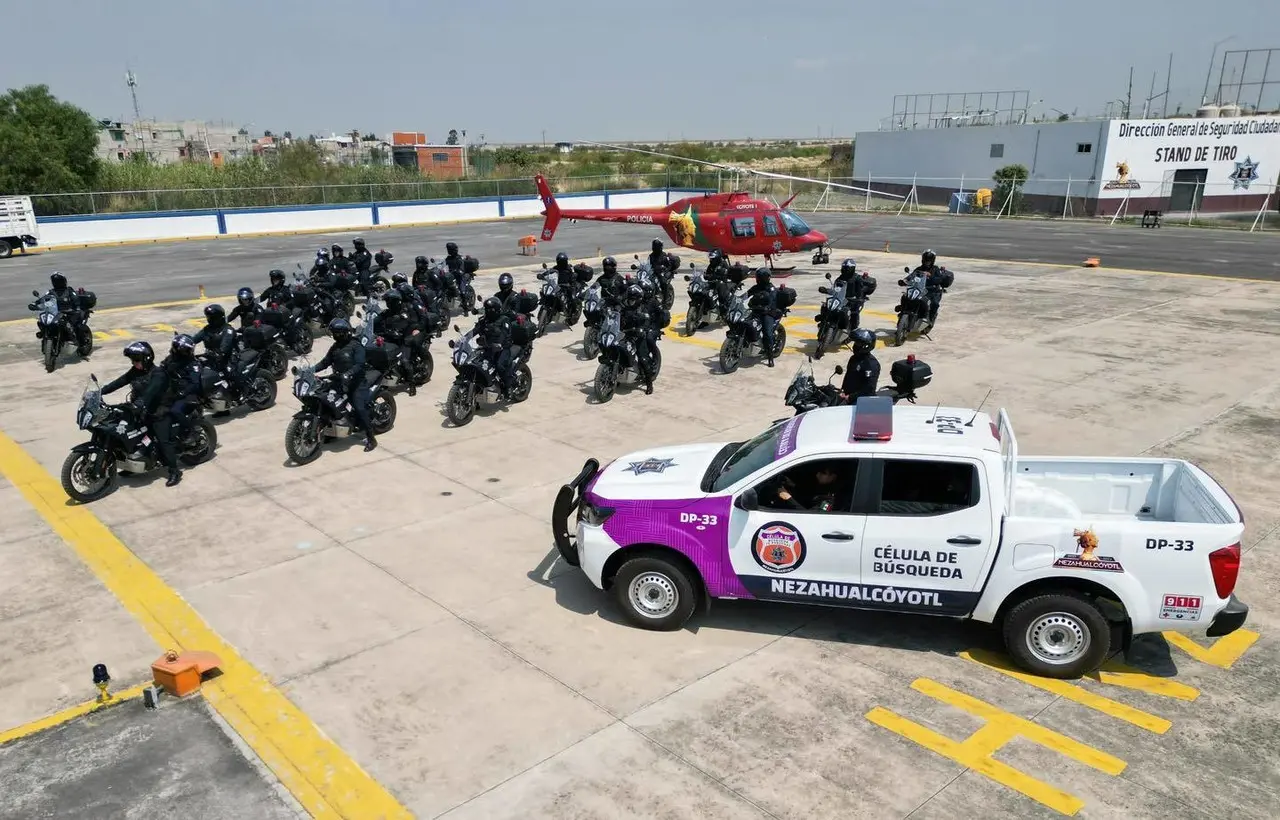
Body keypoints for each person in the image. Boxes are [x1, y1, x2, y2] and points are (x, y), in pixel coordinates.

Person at [100, 340, 183, 486]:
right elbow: (120, 381)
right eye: (132, 360)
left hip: (160, 411)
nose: (134, 363)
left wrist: (139, 404)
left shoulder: (158, 374)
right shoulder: (136, 371)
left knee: (163, 440)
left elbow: (150, 393)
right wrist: (101, 391)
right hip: (141, 409)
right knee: (126, 431)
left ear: (147, 358)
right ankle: (133, 461)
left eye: (136, 360)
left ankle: (174, 470)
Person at [315, 318, 377, 451]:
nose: (336, 336)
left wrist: (348, 373)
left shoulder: (356, 345)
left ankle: (371, 437)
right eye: (334, 333)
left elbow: (360, 364)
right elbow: (325, 362)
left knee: (359, 408)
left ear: (345, 332)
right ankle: (331, 432)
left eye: (338, 333)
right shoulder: (335, 347)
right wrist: (310, 370)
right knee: (327, 400)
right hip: (339, 380)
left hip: (356, 382)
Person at [373, 290, 424, 396]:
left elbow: (409, 323)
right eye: (387, 301)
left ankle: (411, 384)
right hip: (389, 339)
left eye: (390, 301)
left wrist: (410, 330)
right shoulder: (386, 313)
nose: (388, 303)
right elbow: (375, 321)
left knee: (404, 361)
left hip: (403, 340)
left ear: (396, 302)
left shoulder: (404, 313)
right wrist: (364, 325)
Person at [468, 297, 516, 398]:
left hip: (503, 349)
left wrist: (499, 344)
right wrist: (464, 338)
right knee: (476, 363)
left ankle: (508, 387)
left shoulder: (504, 320)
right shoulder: (484, 320)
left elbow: (504, 334)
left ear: (497, 309)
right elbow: (475, 330)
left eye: (491, 310)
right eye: (487, 309)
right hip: (488, 348)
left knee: (499, 366)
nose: (488, 311)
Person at [619, 284, 656, 394]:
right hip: (625, 333)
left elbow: (647, 320)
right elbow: (618, 315)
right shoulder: (625, 306)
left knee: (643, 358)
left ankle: (649, 384)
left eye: (633, 299)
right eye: (629, 298)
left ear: (639, 299)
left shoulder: (642, 309)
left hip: (638, 335)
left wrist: (642, 329)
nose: (630, 301)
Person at [41, 271, 90, 346]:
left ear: (64, 281)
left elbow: (75, 298)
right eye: (55, 281)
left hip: (69, 313)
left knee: (74, 326)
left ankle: (79, 342)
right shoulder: (50, 292)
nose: (57, 283)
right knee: (43, 322)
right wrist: (35, 304)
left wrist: (77, 307)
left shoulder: (69, 290)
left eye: (59, 281)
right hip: (56, 314)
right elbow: (43, 299)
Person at [744, 268, 780, 367]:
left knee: (767, 333)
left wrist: (766, 308)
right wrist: (737, 299)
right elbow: (746, 294)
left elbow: (772, 300)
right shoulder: (756, 287)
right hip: (756, 311)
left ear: (765, 278)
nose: (758, 279)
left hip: (767, 313)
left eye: (760, 277)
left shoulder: (771, 288)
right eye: (758, 277)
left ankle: (770, 356)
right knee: (744, 323)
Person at [771, 462, 841, 511]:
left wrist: (788, 498)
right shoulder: (823, 488)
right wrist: (793, 485)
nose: (817, 475)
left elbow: (809, 516)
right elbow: (809, 495)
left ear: (833, 477)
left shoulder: (829, 502)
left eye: (823, 473)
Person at [839, 328, 880, 402]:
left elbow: (869, 388)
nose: (855, 346)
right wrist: (842, 391)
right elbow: (848, 376)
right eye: (855, 343)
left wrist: (851, 397)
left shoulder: (871, 364)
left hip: (862, 401)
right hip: (847, 396)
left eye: (858, 343)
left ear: (866, 346)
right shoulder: (854, 358)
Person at [911, 249, 949, 327]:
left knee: (934, 303)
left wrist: (930, 276)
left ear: (932, 261)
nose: (927, 262)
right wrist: (903, 281)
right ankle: (904, 312)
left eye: (929, 260)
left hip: (933, 291)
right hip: (920, 290)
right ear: (923, 259)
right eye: (926, 260)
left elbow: (939, 279)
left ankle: (930, 320)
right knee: (906, 297)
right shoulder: (919, 269)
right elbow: (911, 276)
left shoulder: (935, 269)